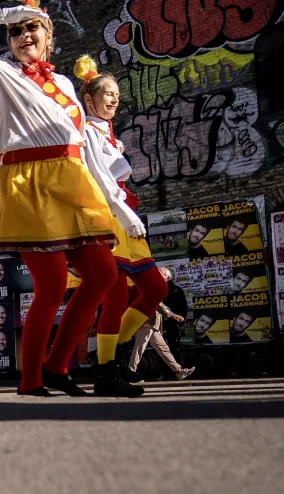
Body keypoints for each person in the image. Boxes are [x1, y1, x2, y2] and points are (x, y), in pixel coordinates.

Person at [0, 1, 119, 397]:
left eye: (31, 28)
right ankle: (32, 379)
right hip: (27, 182)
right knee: (51, 287)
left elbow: (79, 144)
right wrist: (0, 16)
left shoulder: (67, 85)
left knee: (104, 274)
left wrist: (112, 197)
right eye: (15, 31)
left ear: (49, 34)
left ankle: (56, 364)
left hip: (72, 181)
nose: (23, 36)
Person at [75, 55, 166, 399]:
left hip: (123, 210)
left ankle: (109, 359)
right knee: (113, 296)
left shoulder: (109, 135)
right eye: (107, 93)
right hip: (109, 214)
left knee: (155, 288)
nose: (114, 99)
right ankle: (107, 370)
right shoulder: (87, 131)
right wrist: (126, 215)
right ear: (89, 99)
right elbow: (99, 177)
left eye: (117, 94)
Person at [128, 269, 195, 380]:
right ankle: (130, 372)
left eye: (162, 272)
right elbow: (156, 302)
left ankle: (178, 370)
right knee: (140, 347)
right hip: (145, 321)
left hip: (153, 323)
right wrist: (172, 314)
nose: (158, 271)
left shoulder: (157, 286)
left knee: (163, 348)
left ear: (166, 279)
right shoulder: (151, 284)